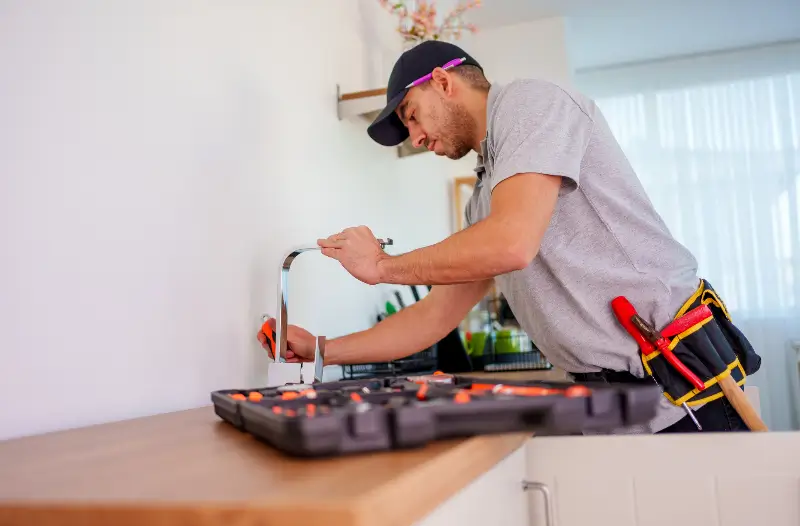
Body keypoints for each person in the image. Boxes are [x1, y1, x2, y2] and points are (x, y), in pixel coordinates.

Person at [259, 40, 760, 433]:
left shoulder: (531, 103)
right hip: (614, 404)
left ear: (442, 83)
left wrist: (382, 267)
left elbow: (512, 244)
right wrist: (321, 349)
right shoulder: (487, 195)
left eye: (411, 115)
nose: (415, 138)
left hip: (678, 390)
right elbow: (435, 316)